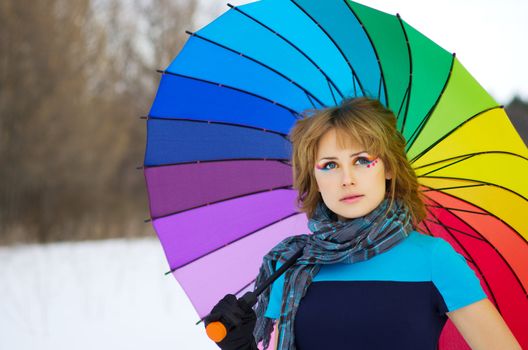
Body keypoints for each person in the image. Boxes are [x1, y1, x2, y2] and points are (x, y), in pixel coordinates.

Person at [204, 97, 521, 350]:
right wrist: (240, 345)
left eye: (362, 160)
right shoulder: (291, 265)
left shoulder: (434, 259)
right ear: (313, 178)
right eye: (330, 165)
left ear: (388, 169)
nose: (347, 179)